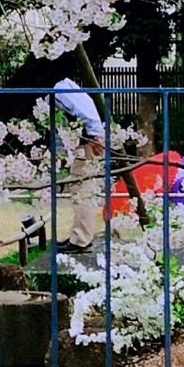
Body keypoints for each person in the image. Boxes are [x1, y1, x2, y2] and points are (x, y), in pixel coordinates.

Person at [52, 78, 106, 253]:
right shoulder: (68, 86)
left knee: (82, 188)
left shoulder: (61, 88)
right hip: (86, 139)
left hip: (88, 141)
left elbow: (84, 112)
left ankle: (81, 239)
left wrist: (95, 134)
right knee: (80, 186)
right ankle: (79, 235)